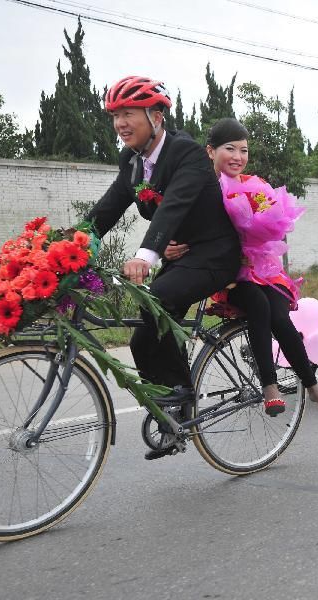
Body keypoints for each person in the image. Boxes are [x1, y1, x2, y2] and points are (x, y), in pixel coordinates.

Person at [86, 76, 242, 460]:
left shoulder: (185, 153)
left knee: (157, 299)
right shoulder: (132, 161)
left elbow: (173, 205)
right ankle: (169, 410)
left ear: (156, 116)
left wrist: (146, 255)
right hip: (178, 256)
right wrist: (66, 247)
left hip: (214, 255)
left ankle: (182, 396)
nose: (120, 123)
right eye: (115, 116)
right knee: (142, 337)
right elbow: (107, 209)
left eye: (128, 114)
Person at [165, 117, 318, 415]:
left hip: (259, 269)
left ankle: (312, 385)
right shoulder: (203, 186)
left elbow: (272, 228)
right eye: (229, 149)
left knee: (282, 321)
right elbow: (179, 219)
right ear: (210, 151)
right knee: (258, 305)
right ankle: (269, 386)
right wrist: (168, 243)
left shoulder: (255, 186)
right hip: (226, 273)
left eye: (243, 151)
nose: (238, 157)